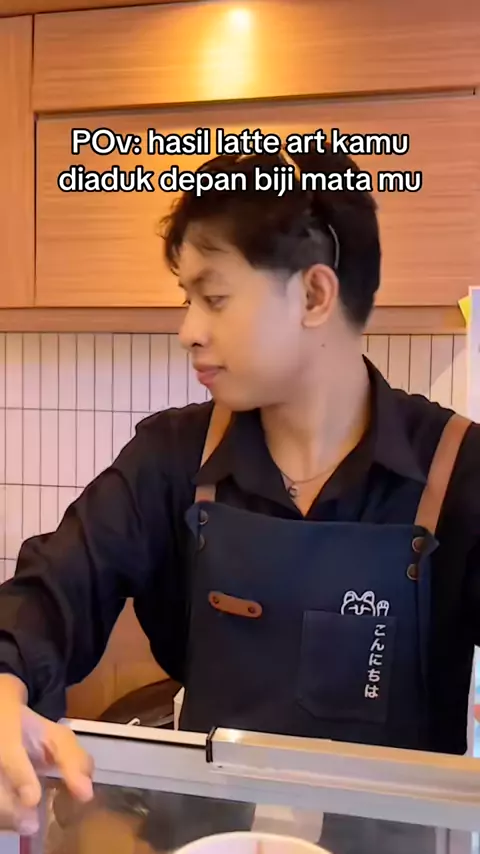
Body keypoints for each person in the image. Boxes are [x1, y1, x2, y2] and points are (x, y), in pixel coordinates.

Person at [0, 141, 479, 852]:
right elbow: (53, 589)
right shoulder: (172, 458)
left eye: (214, 297)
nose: (188, 330)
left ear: (314, 295)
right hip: (207, 840)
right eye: (187, 299)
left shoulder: (458, 472)